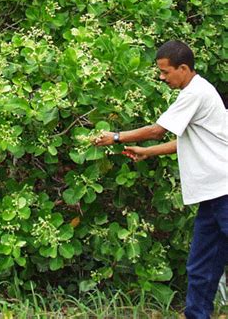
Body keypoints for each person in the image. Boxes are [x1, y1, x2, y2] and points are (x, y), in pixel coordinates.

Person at [93, 40, 228, 319]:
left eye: (166, 72)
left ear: (183, 68)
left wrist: (115, 137)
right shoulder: (198, 94)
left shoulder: (196, 92)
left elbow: (157, 130)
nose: (162, 78)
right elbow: (189, 141)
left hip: (224, 191)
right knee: (200, 267)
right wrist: (148, 153)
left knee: (202, 265)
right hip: (213, 196)